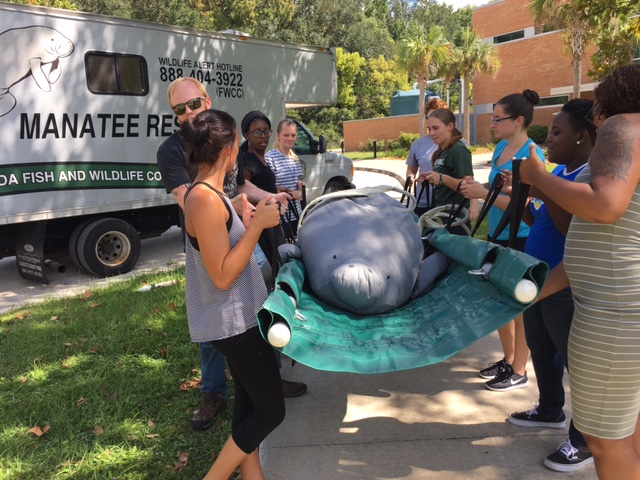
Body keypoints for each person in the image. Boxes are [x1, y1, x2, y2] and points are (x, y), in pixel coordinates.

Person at [156, 79, 302, 432]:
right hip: (217, 272)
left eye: (192, 105)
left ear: (206, 101)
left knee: (255, 308)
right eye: (179, 110)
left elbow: (230, 193)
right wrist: (240, 220)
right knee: (218, 329)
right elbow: (195, 202)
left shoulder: (217, 149)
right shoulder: (185, 169)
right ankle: (214, 391)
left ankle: (261, 377)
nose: (188, 113)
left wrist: (242, 207)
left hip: (231, 249)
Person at [519, 64, 640, 480]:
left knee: (606, 442)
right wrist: (536, 292)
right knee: (630, 437)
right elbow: (604, 244)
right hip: (623, 303)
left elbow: (604, 205)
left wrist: (539, 176)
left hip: (613, 312)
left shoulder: (625, 126)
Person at [181, 108, 285, 479]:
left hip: (240, 317)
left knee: (249, 407)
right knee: (272, 411)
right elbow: (222, 275)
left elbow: (223, 246)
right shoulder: (204, 199)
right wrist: (256, 227)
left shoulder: (212, 194)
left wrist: (243, 216)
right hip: (233, 323)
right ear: (228, 150)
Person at [506, 99, 596, 472]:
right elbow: (537, 218)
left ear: (583, 137)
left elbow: (570, 229)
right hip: (539, 278)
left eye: (557, 132)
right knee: (542, 349)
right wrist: (522, 194)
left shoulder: (586, 177)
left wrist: (542, 183)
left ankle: (584, 441)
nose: (549, 139)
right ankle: (549, 408)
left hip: (565, 283)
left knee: (577, 363)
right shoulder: (560, 171)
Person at [459, 89, 545, 392]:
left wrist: (484, 196)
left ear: (518, 120)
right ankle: (508, 360)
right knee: (498, 303)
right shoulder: (501, 149)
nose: (492, 123)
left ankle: (520, 369)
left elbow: (524, 204)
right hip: (497, 234)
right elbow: (499, 187)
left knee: (520, 305)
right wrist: (478, 186)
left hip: (519, 237)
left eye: (498, 118)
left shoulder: (533, 155)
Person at [421, 108, 478, 234]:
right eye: (429, 129)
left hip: (456, 218)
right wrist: (429, 177)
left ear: (450, 126)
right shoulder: (441, 151)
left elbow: (469, 185)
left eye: (436, 128)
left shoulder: (458, 150)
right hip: (442, 216)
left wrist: (441, 178)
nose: (431, 133)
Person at [406, 98, 450, 216]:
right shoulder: (417, 144)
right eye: (430, 116)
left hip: (448, 203)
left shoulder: (458, 143)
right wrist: (411, 178)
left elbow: (467, 177)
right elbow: (411, 169)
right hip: (424, 202)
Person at [265, 118, 305, 238]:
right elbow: (269, 188)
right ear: (278, 136)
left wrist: (299, 184)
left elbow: (293, 182)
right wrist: (293, 194)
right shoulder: (270, 158)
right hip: (281, 216)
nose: (290, 138)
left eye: (293, 135)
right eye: (286, 135)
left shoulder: (295, 158)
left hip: (297, 214)